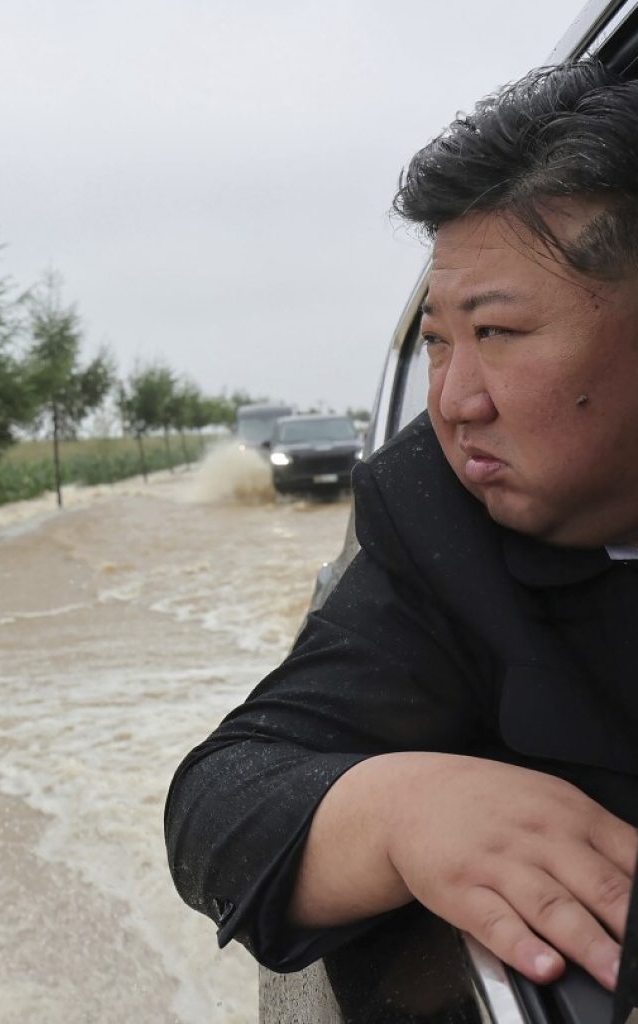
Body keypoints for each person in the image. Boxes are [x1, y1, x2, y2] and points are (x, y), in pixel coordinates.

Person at [164, 59, 638, 995]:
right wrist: (395, 811)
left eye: (496, 334)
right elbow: (221, 802)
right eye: (435, 342)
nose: (455, 402)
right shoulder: (437, 520)